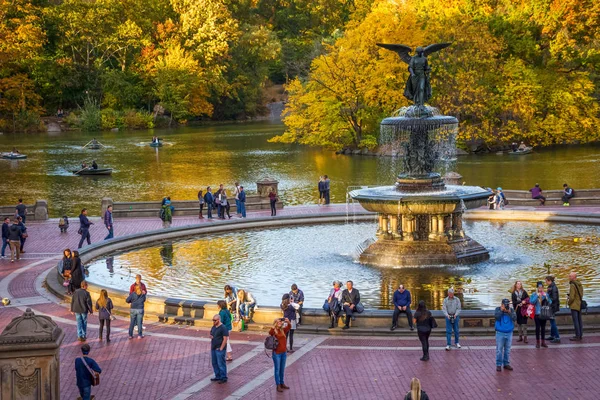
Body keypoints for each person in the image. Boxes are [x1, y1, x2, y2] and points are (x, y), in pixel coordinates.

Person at [269, 317, 291, 392]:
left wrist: (288, 322)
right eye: (278, 322)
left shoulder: (283, 330)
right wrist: (274, 325)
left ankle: (282, 383)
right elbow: (270, 333)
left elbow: (289, 327)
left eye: (280, 322)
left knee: (282, 369)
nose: (280, 323)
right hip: (276, 353)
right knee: (277, 369)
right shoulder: (274, 331)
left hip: (283, 352)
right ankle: (278, 385)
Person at [495, 298, 516, 372]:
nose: (507, 306)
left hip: (509, 332)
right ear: (502, 304)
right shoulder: (498, 309)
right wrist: (502, 310)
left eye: (508, 304)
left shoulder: (511, 310)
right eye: (505, 304)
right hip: (500, 333)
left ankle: (506, 363)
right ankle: (498, 364)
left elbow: (514, 318)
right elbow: (497, 317)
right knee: (499, 350)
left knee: (507, 350)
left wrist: (509, 312)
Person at [530, 281, 551, 348]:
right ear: (537, 288)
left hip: (544, 313)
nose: (540, 289)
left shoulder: (546, 294)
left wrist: (546, 297)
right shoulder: (534, 294)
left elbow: (550, 302)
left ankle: (543, 342)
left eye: (541, 288)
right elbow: (531, 302)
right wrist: (537, 296)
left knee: (543, 328)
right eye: (539, 288)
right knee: (537, 328)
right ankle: (537, 342)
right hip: (537, 313)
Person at [210, 314, 229, 384]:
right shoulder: (213, 327)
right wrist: (211, 336)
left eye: (215, 320)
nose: (213, 322)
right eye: (213, 320)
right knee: (214, 363)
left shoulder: (223, 328)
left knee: (221, 363)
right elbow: (211, 333)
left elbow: (225, 339)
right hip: (213, 347)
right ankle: (217, 375)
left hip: (219, 348)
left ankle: (223, 377)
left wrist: (221, 348)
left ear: (218, 320)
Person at [567, 272, 584, 341]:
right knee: (580, 320)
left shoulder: (572, 285)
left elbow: (572, 297)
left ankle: (577, 335)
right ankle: (580, 335)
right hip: (579, 304)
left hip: (574, 305)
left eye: (570, 276)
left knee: (575, 320)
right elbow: (581, 293)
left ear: (574, 277)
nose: (569, 277)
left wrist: (569, 303)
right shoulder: (579, 284)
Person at [545, 275, 561, 343]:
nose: (545, 282)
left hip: (552, 307)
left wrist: (547, 299)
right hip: (551, 306)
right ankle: (552, 335)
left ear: (549, 281)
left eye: (546, 281)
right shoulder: (551, 287)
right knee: (552, 322)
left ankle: (557, 337)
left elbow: (554, 298)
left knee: (553, 322)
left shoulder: (553, 287)